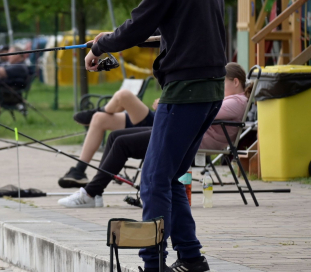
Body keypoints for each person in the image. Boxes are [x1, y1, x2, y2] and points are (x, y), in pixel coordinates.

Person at [82, 0, 227, 272]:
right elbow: (178, 29)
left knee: (152, 180)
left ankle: (152, 266)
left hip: (187, 91)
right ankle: (192, 260)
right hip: (212, 91)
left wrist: (100, 44)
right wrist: (116, 37)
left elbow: (138, 25)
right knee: (173, 176)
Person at [59, 63, 249, 210]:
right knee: (115, 136)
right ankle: (96, 192)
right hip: (181, 133)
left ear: (235, 82)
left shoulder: (236, 102)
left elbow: (201, 111)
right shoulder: (227, 100)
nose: (216, 87)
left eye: (220, 82)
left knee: (122, 144)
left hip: (186, 139)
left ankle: (90, 193)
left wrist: (169, 105)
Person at [58, 90, 158, 187]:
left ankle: (99, 110)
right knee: (99, 118)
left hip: (161, 124)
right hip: (157, 115)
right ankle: (79, 171)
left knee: (124, 95)